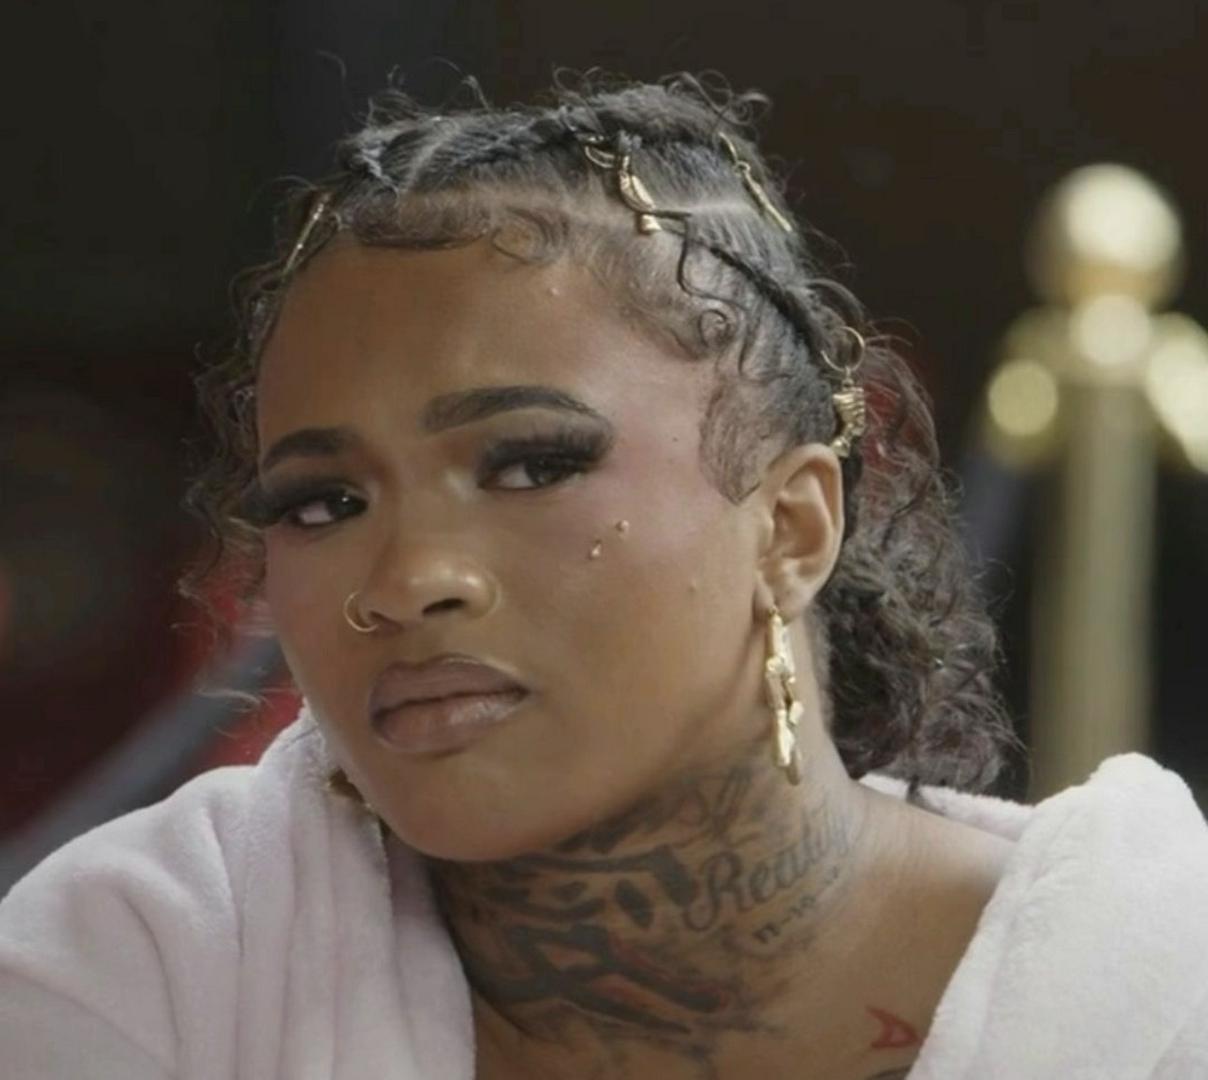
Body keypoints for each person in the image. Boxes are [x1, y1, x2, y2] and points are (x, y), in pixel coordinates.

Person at [2, 73, 1206, 1080]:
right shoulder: (149, 974)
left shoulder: (1148, 998)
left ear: (789, 529)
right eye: (324, 503)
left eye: (531, 465)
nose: (407, 580)